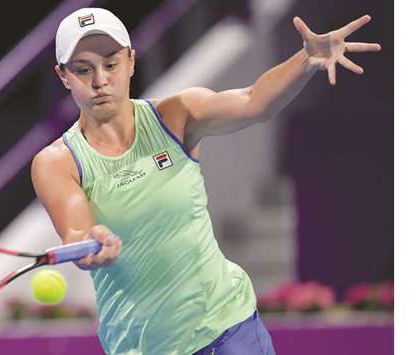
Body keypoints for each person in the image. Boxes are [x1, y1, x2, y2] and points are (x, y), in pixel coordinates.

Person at [30, 7, 380, 355]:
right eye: (82, 69)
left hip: (229, 329)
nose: (100, 80)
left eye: (111, 63)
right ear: (63, 75)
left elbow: (254, 102)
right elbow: (74, 229)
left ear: (132, 60)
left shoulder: (177, 115)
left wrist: (306, 60)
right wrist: (89, 242)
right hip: (142, 347)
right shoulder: (56, 162)